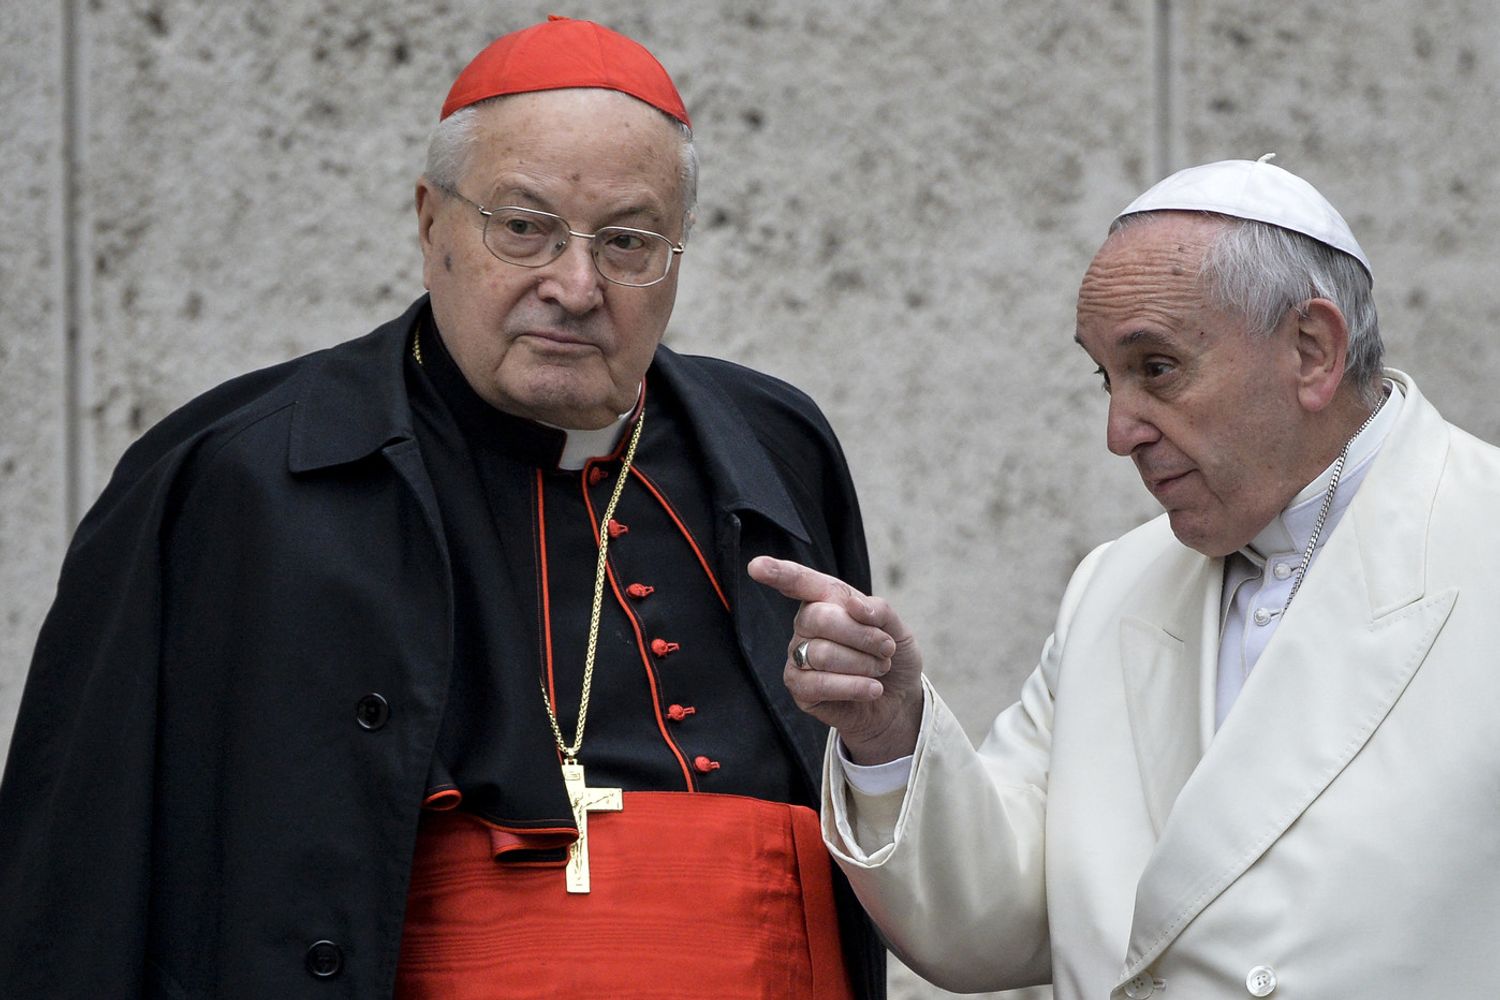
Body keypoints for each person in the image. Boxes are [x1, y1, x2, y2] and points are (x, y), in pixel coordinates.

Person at [0, 16, 884, 999]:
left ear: (677, 252)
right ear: (431, 224)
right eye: (523, 228)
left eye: (629, 242)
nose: (576, 284)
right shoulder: (229, 478)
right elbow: (74, 880)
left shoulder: (778, 447)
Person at [751, 156, 1500, 998]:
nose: (1119, 431)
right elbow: (994, 923)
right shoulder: (1115, 584)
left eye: (1157, 369)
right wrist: (888, 735)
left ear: (1311, 350)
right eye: (1105, 378)